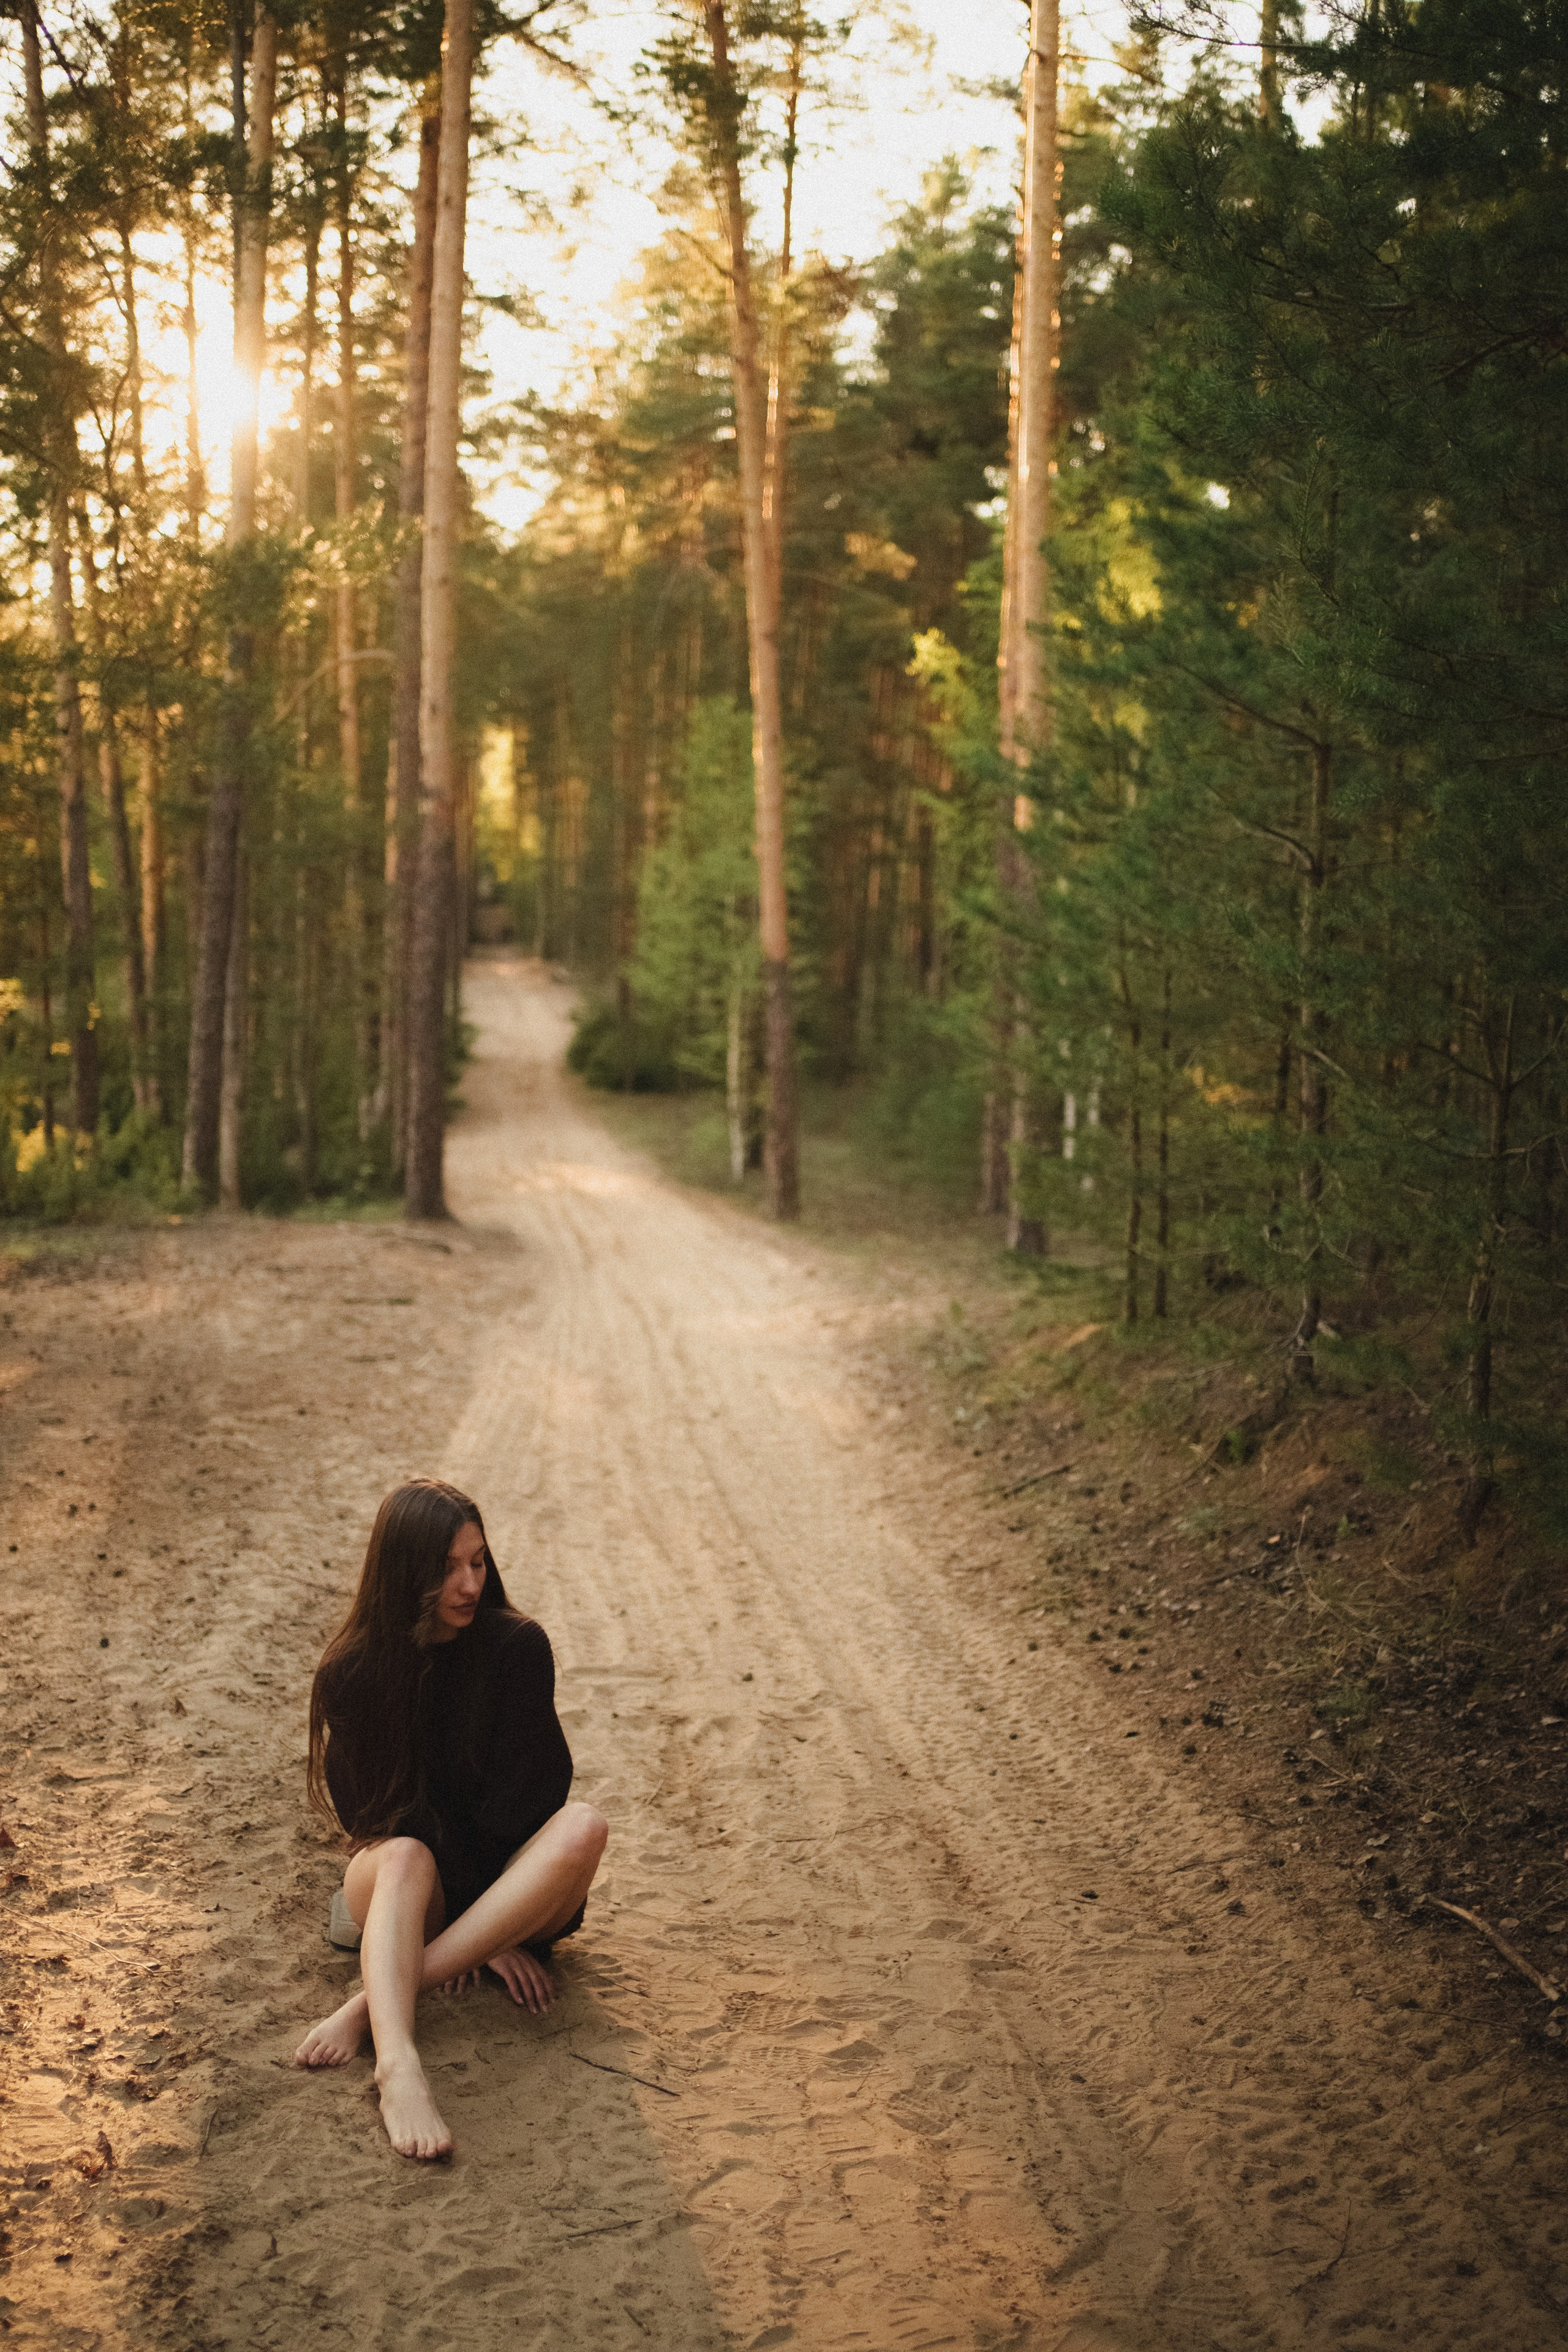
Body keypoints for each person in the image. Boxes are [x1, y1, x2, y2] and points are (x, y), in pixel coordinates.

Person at [292, 1477, 608, 2160]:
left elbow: (533, 1806)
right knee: (404, 1852)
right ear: (402, 1571)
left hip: (511, 1894)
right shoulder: (350, 1673)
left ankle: (365, 2007)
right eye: (446, 1568)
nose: (469, 1584)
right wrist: (487, 1939)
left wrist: (495, 1926)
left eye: (478, 1561)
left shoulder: (517, 1649)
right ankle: (398, 2064)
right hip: (410, 1891)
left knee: (584, 1825)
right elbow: (371, 1822)